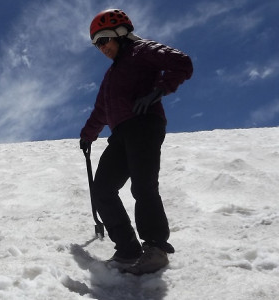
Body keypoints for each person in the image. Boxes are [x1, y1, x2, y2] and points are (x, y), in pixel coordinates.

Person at [79, 9, 193, 275]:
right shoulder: (110, 76)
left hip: (144, 124)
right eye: (96, 44)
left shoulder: (142, 50)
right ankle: (128, 249)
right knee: (102, 190)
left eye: (104, 39)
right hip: (120, 133)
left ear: (121, 33)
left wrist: (158, 91)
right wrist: (88, 134)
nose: (101, 47)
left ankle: (156, 249)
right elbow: (101, 110)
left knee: (143, 187)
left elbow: (182, 63)